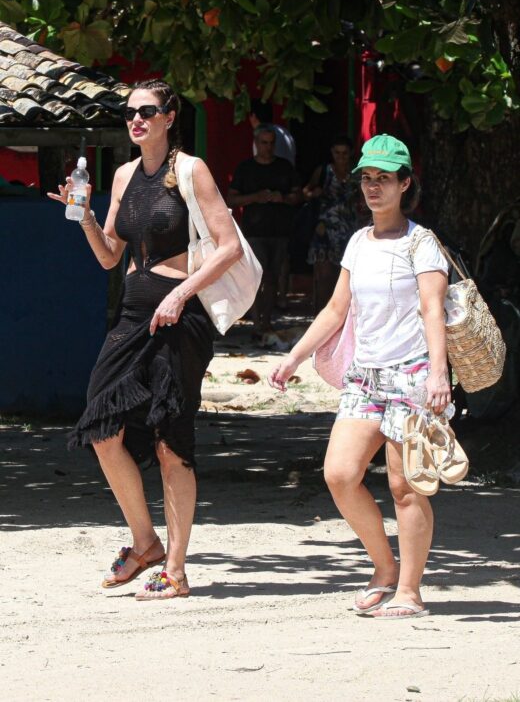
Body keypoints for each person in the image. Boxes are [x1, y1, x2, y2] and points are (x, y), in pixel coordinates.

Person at [48, 79, 242, 601]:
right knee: (101, 425)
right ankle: (145, 542)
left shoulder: (191, 170)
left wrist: (181, 294)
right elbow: (110, 256)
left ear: (169, 117)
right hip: (133, 314)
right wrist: (85, 216)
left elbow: (228, 248)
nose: (136, 119)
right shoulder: (123, 174)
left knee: (170, 441)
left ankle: (175, 570)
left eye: (148, 111)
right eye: (130, 111)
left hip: (180, 315)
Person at [269, 134, 450, 619]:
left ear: (405, 184)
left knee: (405, 487)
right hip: (365, 377)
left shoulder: (422, 243)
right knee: (340, 474)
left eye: (383, 178)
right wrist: (294, 357)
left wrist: (438, 374)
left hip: (412, 376)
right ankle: (385, 568)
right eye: (367, 178)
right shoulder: (357, 241)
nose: (373, 187)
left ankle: (410, 591)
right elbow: (335, 309)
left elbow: (433, 310)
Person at [228, 124, 302, 336]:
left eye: (271, 143)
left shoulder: (284, 167)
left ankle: (266, 321)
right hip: (254, 231)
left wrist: (283, 198)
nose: (268, 147)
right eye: (264, 143)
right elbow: (231, 198)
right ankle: (256, 323)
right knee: (255, 278)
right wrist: (255, 197)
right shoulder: (245, 168)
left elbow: (298, 195)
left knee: (272, 278)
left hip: (280, 231)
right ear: (256, 143)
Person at [304, 135, 362, 312]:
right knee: (324, 278)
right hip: (325, 230)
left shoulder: (357, 174)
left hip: (350, 231)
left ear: (351, 153)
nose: (341, 157)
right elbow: (305, 191)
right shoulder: (324, 171)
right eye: (337, 153)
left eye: (345, 153)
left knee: (348, 279)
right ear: (332, 153)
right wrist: (313, 194)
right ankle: (320, 317)